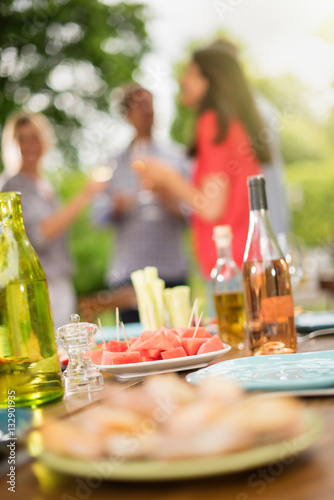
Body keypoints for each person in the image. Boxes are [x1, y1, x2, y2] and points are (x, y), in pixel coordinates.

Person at [133, 40, 271, 282]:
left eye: (190, 73)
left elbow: (210, 207)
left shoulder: (212, 122)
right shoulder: (233, 123)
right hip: (246, 263)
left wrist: (167, 176)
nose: (182, 80)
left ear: (211, 80)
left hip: (230, 269)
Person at [1, 112, 107, 328]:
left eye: (35, 137)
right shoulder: (12, 186)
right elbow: (40, 235)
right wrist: (85, 194)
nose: (30, 145)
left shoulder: (46, 185)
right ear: (13, 144)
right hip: (34, 290)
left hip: (60, 284)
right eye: (22, 138)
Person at [94, 84, 189, 323]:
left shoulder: (177, 157)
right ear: (126, 114)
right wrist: (113, 208)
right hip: (127, 275)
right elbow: (95, 215)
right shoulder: (112, 163)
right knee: (133, 348)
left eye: (150, 103)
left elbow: (197, 212)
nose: (148, 110)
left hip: (171, 271)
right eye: (139, 105)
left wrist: (169, 199)